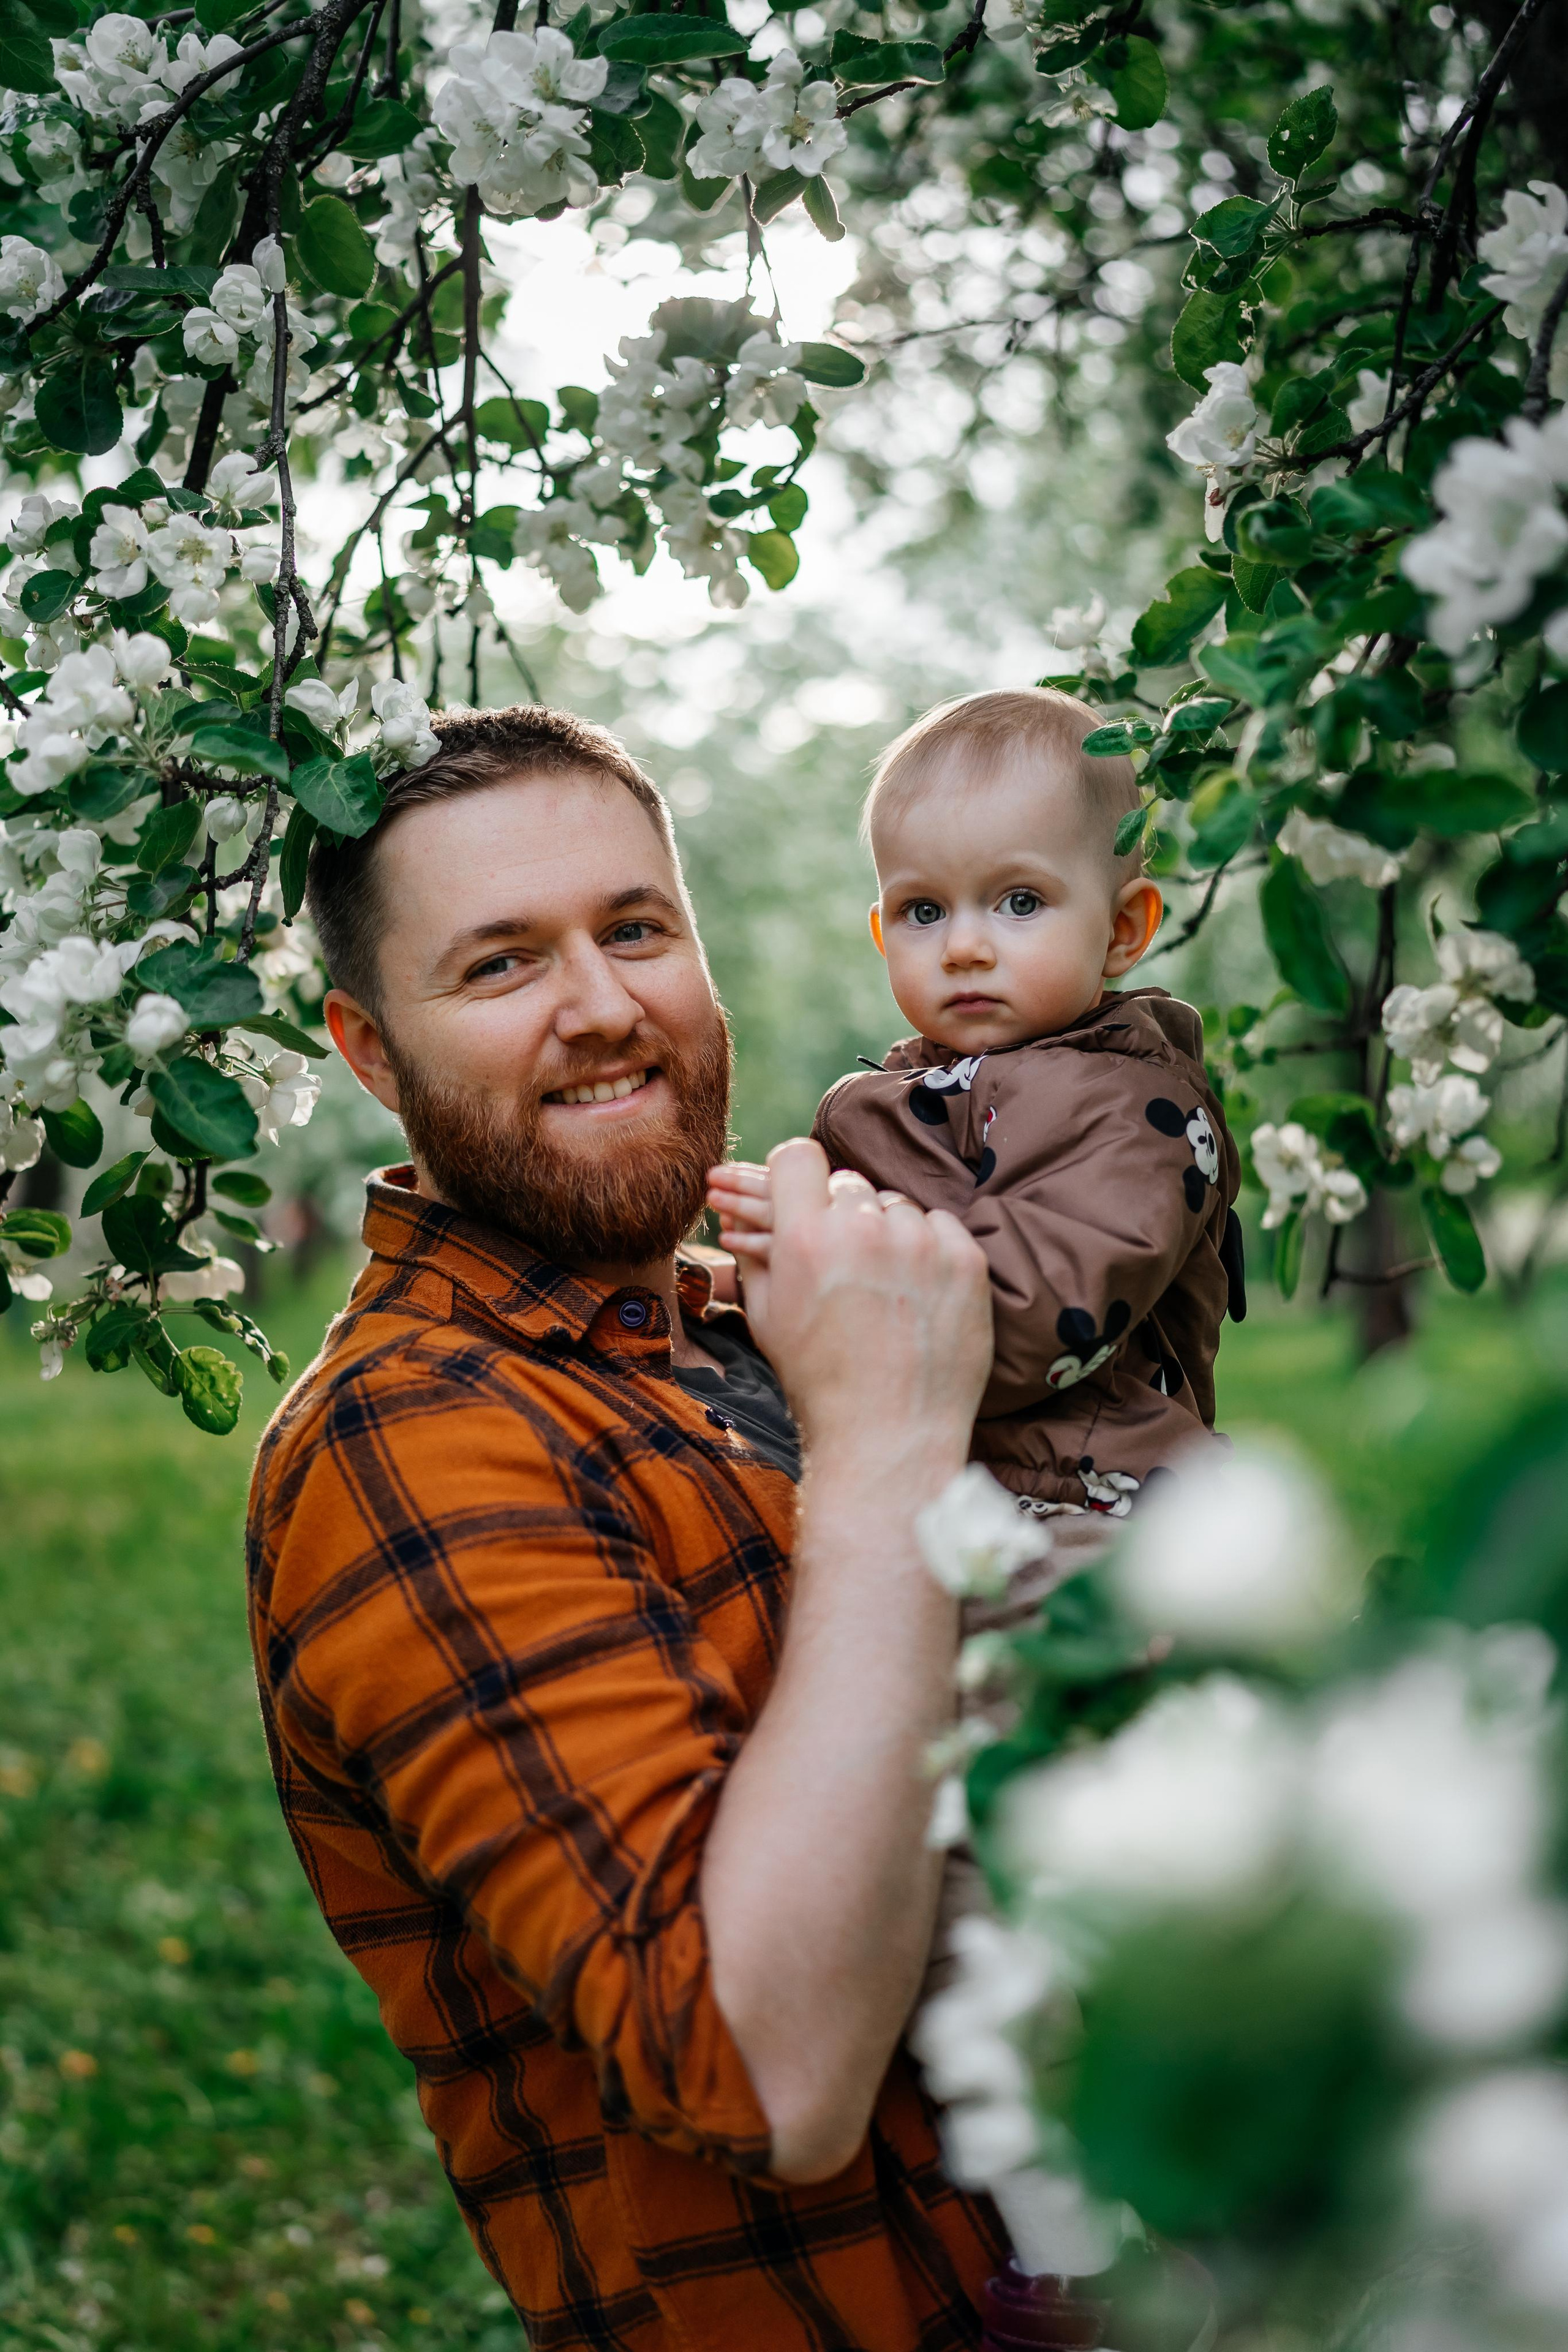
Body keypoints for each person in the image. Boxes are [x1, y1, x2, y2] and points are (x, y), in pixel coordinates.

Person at [246, 703, 1012, 2350]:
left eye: (638, 929)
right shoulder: (411, 1438)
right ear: (372, 1052)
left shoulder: (742, 1324)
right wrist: (894, 1447)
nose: (604, 1010)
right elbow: (766, 2073)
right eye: (501, 965)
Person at [709, 686, 1246, 1528]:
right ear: (884, 932)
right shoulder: (885, 1101)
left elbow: (1044, 1313)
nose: (963, 947)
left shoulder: (1136, 1111)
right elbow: (818, 1304)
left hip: (1089, 1500)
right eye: (924, 911)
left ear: (1122, 930)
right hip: (934, 1495)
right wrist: (782, 1244)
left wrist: (841, 1275)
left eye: (1019, 902)